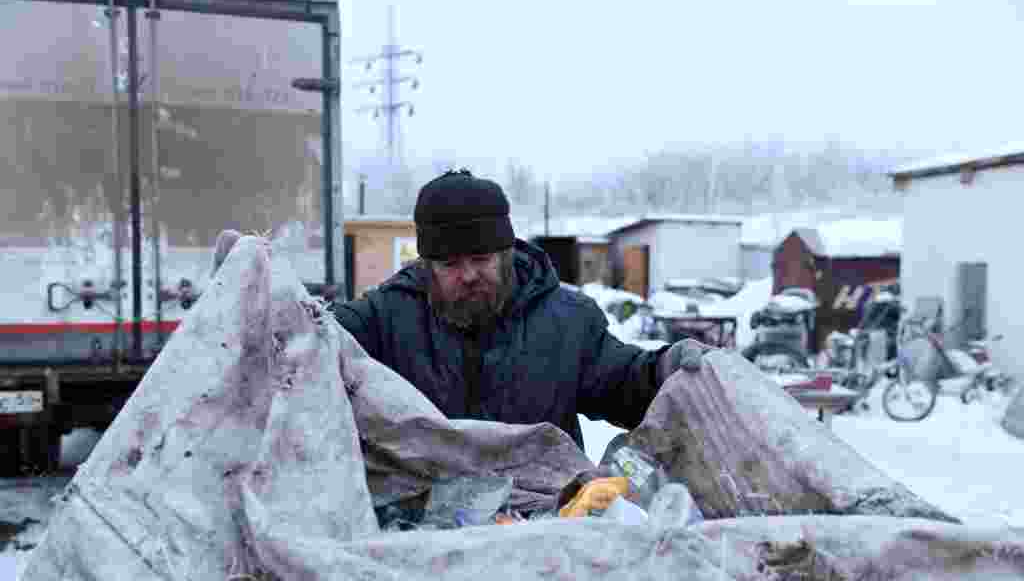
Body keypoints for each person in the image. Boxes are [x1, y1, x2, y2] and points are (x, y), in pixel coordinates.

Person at [213, 169, 707, 452]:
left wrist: (665, 368)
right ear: (427, 263)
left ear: (507, 252)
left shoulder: (569, 320)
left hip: (548, 526)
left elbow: (623, 382)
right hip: (423, 528)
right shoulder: (387, 317)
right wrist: (258, 291)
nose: (468, 274)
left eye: (481, 258)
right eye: (450, 263)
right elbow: (311, 343)